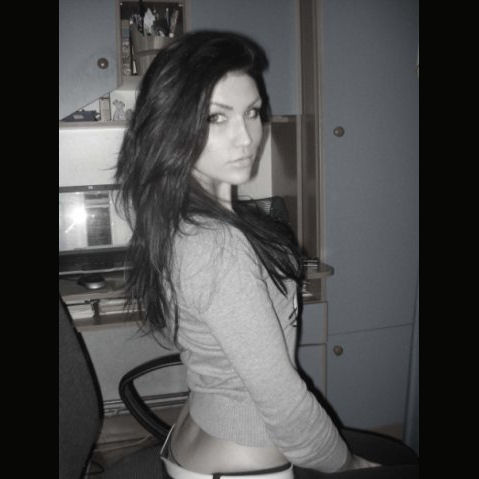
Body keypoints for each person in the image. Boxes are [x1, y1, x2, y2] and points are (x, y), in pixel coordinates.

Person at [115, 31, 418, 479]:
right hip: (245, 462)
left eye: (253, 112)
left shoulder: (181, 220)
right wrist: (349, 465)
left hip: (201, 436)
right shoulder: (216, 245)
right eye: (216, 117)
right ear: (173, 124)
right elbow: (284, 403)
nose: (246, 137)